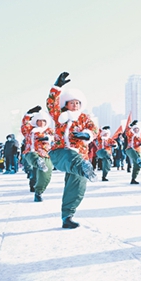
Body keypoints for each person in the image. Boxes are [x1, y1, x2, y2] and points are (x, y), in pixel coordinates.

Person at [46, 72, 98, 229]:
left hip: (80, 155)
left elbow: (94, 129)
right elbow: (51, 104)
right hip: (60, 152)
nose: (75, 105)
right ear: (66, 104)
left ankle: (67, 216)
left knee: (77, 186)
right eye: (71, 103)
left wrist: (86, 134)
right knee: (71, 157)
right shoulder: (59, 116)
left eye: (77, 103)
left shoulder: (84, 118)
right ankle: (84, 168)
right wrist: (57, 87)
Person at [21, 106, 54, 202]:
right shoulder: (30, 130)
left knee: (46, 173)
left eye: (43, 121)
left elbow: (56, 137)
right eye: (39, 121)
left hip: (45, 154)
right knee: (36, 161)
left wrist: (47, 138)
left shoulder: (49, 131)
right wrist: (28, 113)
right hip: (31, 153)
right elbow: (24, 124)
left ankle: (38, 192)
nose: (41, 123)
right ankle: (38, 162)